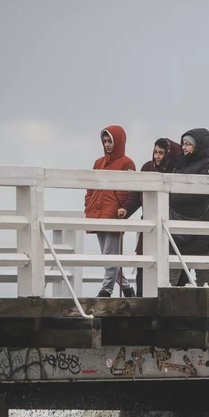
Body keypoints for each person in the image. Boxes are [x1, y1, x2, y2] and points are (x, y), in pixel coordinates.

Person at [120, 137, 182, 295]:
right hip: (148, 225)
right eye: (155, 152)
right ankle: (142, 298)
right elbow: (136, 194)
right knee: (144, 260)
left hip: (171, 227)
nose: (157, 156)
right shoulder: (147, 167)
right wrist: (126, 209)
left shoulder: (177, 169)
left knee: (171, 263)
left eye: (161, 153)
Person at [84, 125, 136, 297]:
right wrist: (88, 205)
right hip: (97, 213)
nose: (107, 144)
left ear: (118, 142)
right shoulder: (98, 163)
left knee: (109, 254)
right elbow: (90, 187)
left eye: (110, 141)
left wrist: (121, 206)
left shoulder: (127, 163)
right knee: (109, 255)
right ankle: (127, 288)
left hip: (113, 214)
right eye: (105, 141)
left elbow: (130, 190)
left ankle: (106, 289)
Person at [168, 128, 209, 287]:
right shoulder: (181, 164)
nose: (183, 147)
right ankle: (166, 304)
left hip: (201, 227)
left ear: (199, 145)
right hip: (178, 225)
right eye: (183, 143)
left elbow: (201, 193)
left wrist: (171, 198)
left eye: (188, 144)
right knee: (170, 274)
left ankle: (205, 308)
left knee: (203, 278)